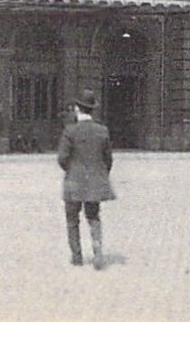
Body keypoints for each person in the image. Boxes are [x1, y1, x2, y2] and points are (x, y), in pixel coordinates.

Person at [57, 88, 115, 269]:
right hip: (94, 183)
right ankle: (97, 251)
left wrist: (71, 171)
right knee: (94, 216)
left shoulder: (70, 131)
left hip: (74, 181)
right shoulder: (102, 130)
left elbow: (62, 158)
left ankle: (77, 256)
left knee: (72, 219)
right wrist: (100, 175)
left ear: (77, 109)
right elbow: (108, 160)